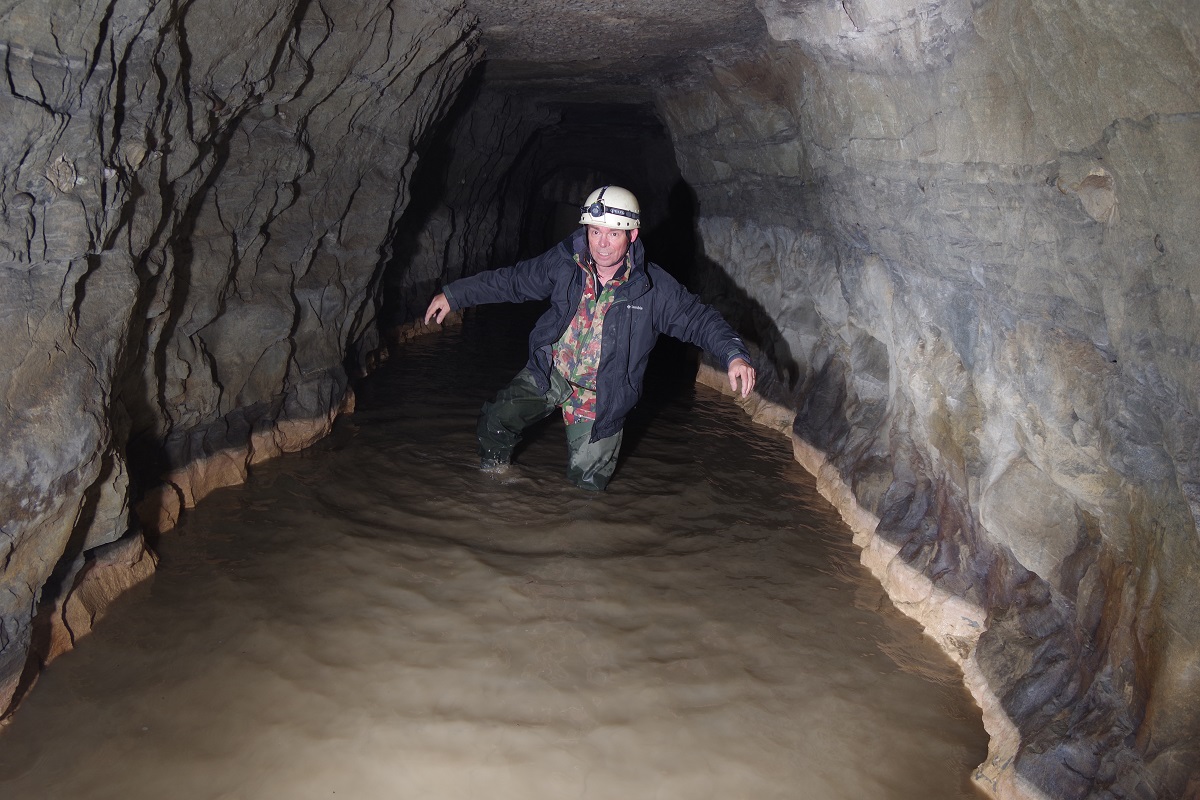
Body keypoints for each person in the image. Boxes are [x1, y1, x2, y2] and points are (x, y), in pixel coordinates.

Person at [424, 185, 756, 491]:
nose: (602, 243)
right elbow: (513, 281)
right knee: (495, 421)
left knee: (587, 488)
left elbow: (699, 319)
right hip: (550, 371)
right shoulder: (565, 263)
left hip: (601, 396)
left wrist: (734, 354)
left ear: (632, 235)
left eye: (613, 233)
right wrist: (455, 295)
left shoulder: (653, 288)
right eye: (595, 231)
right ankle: (493, 482)